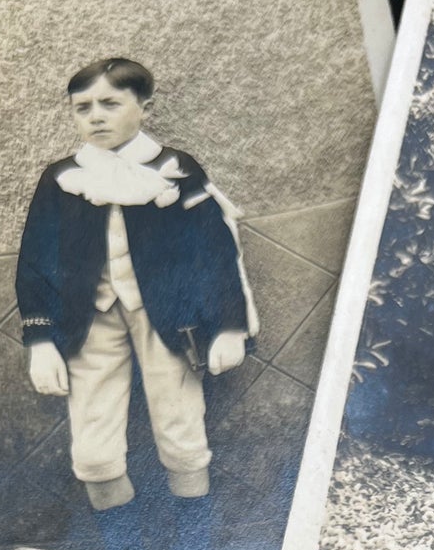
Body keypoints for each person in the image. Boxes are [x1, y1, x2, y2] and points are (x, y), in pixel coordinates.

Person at [15, 56, 256, 523]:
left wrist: (229, 326)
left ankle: (193, 545)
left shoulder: (176, 168)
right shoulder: (63, 178)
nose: (96, 116)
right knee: (93, 444)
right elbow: (35, 259)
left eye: (110, 103)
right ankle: (120, 547)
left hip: (169, 315)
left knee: (181, 425)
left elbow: (216, 251)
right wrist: (40, 339)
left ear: (144, 107)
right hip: (88, 318)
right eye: (82, 107)